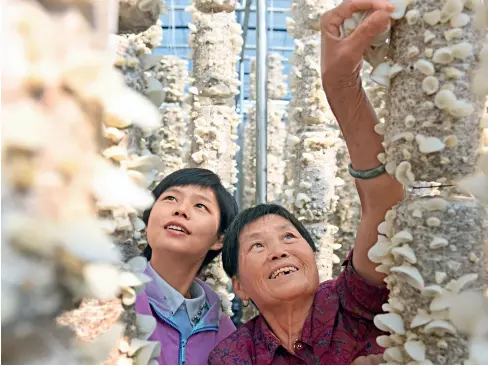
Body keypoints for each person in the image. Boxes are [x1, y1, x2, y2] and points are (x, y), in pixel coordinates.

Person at [207, 0, 404, 364]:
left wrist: (343, 88)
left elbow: (386, 207)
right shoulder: (233, 357)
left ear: (313, 258)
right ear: (238, 287)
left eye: (288, 237)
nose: (278, 251)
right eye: (256, 247)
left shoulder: (355, 303)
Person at [135, 168, 239, 365]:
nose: (180, 210)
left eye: (200, 205)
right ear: (147, 222)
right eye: (171, 198)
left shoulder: (224, 333)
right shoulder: (114, 296)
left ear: (219, 239)